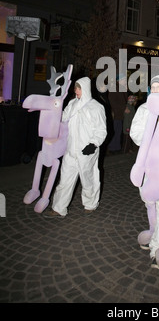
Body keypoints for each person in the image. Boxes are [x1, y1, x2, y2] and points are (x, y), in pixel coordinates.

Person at [45, 77, 107, 217]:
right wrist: (54, 109)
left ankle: (90, 204)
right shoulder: (72, 103)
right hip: (71, 150)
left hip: (87, 151)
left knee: (88, 179)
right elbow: (62, 118)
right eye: (75, 88)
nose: (76, 91)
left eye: (79, 88)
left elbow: (101, 129)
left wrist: (93, 144)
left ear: (85, 89)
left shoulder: (96, 107)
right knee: (65, 180)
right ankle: (58, 207)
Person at [130, 75, 159, 269]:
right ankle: (153, 233)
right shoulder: (144, 109)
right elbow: (136, 133)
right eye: (153, 87)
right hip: (147, 164)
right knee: (149, 202)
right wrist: (148, 137)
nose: (156, 90)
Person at [108, 73, 128, 154]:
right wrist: (123, 109)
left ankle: (116, 147)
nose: (125, 81)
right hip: (116, 114)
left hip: (120, 114)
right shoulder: (114, 88)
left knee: (118, 131)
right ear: (119, 80)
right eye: (124, 80)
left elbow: (124, 100)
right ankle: (113, 148)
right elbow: (113, 102)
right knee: (116, 130)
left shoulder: (120, 88)